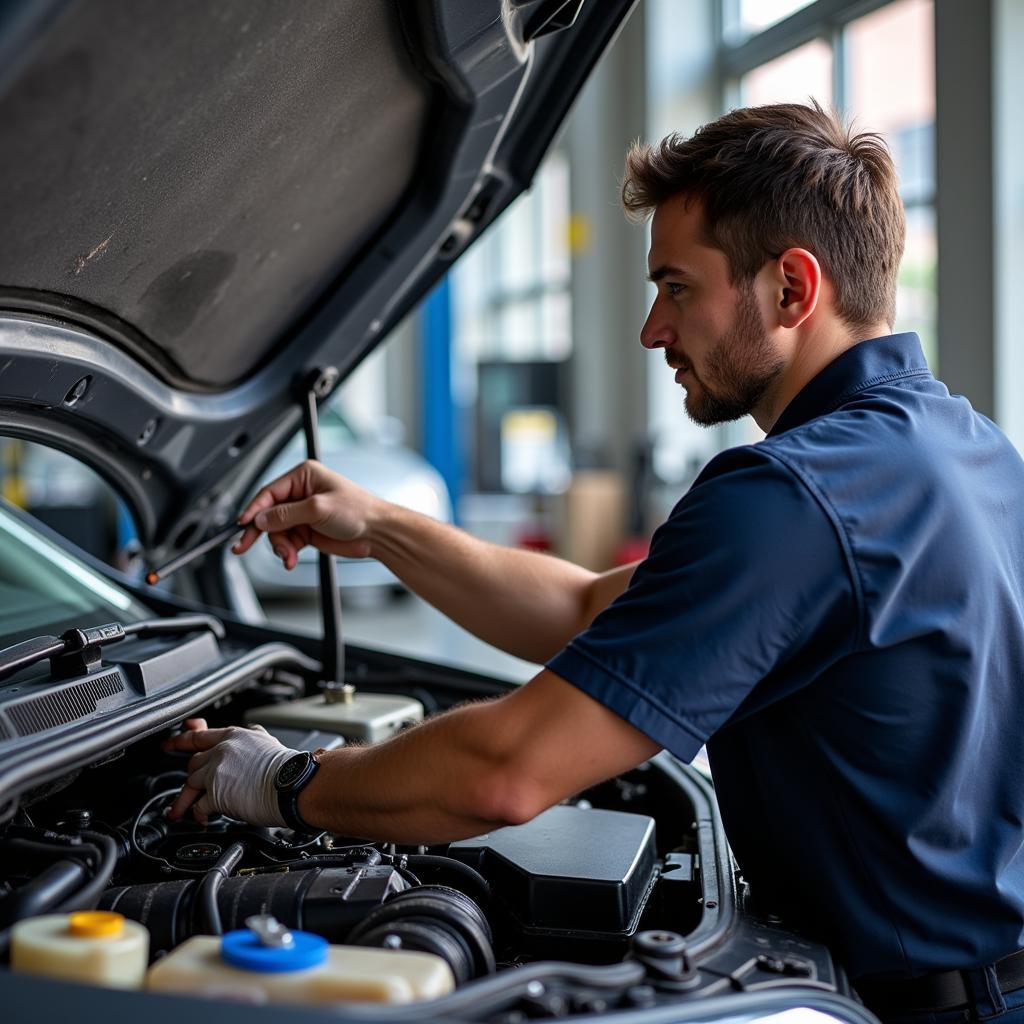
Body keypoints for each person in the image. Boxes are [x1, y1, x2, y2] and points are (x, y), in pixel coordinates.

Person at [165, 103, 1024, 1022]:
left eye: (678, 288)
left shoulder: (791, 497)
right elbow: (585, 609)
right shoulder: (967, 449)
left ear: (791, 289)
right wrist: (379, 525)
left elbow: (508, 772)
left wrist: (279, 780)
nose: (654, 329)